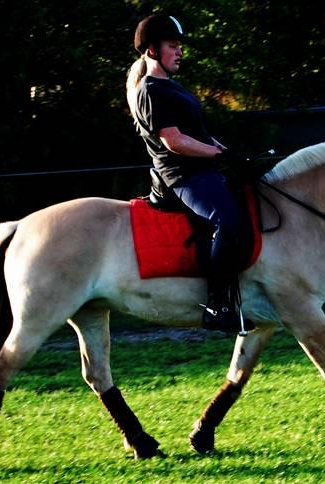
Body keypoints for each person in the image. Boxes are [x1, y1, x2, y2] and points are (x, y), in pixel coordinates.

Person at [126, 13, 250, 334]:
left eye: (180, 46)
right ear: (152, 51)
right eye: (172, 46)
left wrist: (232, 154)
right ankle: (216, 306)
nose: (179, 52)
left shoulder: (175, 87)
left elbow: (201, 135)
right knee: (228, 222)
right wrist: (220, 154)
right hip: (182, 177)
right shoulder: (150, 91)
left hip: (203, 169)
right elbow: (175, 141)